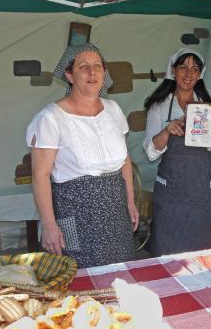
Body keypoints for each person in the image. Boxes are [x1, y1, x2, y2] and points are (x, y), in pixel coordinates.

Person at [26, 43, 138, 268]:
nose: (92, 72)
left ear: (104, 73)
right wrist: (49, 225)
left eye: (97, 66)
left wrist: (130, 202)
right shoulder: (50, 118)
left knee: (120, 276)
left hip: (115, 211)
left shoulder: (113, 109)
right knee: (81, 282)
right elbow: (40, 176)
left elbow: (125, 161)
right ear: (69, 74)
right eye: (83, 66)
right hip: (76, 212)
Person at [143, 48, 211, 256]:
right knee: (170, 247)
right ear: (173, 71)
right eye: (183, 67)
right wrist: (167, 130)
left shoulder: (210, 104)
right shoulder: (160, 107)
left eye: (194, 69)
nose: (188, 74)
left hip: (204, 188)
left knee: (206, 248)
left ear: (200, 74)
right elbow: (150, 150)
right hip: (174, 189)